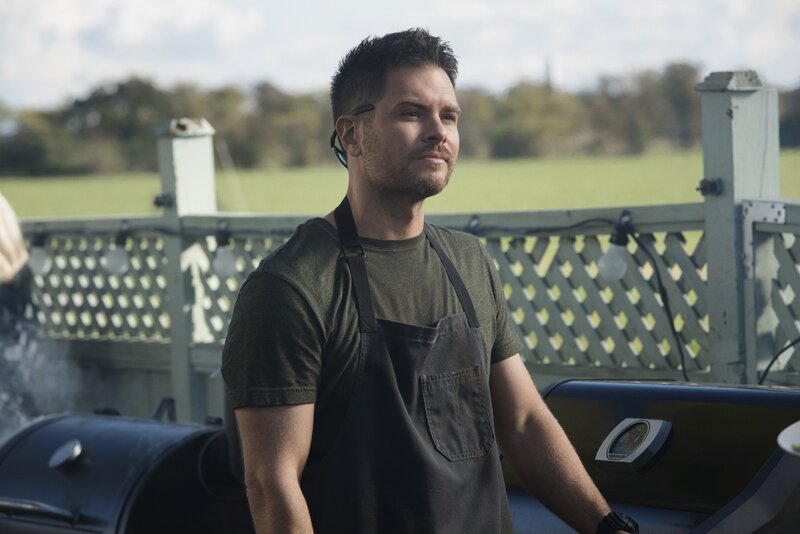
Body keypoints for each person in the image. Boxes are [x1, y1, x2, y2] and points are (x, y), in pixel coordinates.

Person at [221, 28, 637, 534]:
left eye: (449, 116)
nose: (438, 132)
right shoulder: (292, 287)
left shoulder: (468, 261)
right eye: (411, 113)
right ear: (350, 134)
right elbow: (272, 484)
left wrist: (608, 527)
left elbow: (524, 422)